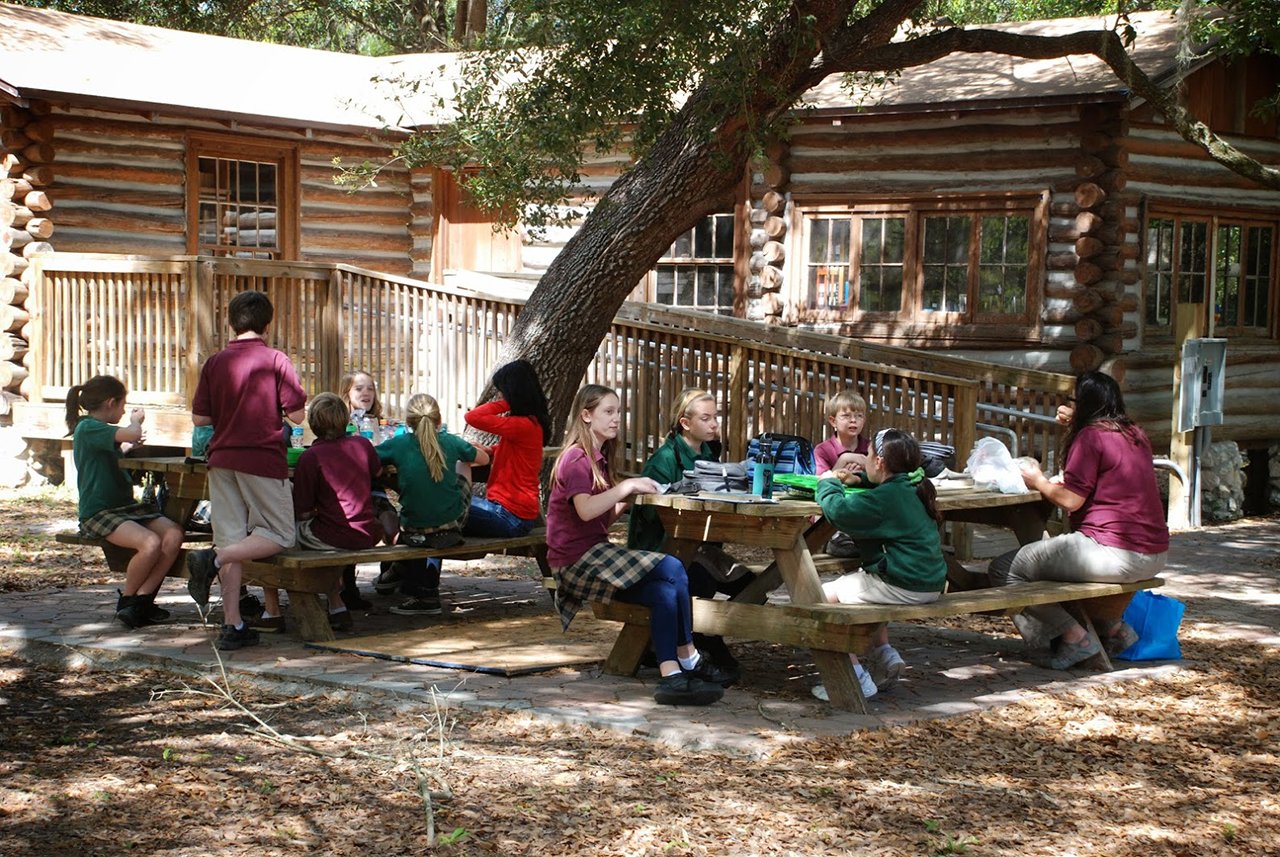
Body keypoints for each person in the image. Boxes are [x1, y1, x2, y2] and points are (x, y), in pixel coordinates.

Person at [546, 384, 731, 706]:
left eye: (618, 412)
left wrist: (630, 497)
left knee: (663, 592)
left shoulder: (598, 457)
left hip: (593, 554)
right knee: (673, 566)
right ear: (586, 416)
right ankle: (689, 657)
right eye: (608, 412)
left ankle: (671, 676)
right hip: (576, 561)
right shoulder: (576, 458)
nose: (616, 419)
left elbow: (599, 520)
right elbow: (586, 510)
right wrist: (627, 486)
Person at [988, 370, 1169, 668]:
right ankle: (1112, 629)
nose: (1067, 405)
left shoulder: (1090, 437)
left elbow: (1072, 499)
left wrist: (1037, 480)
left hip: (1111, 552)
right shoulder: (1135, 433)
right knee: (1050, 566)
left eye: (1072, 400)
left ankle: (1076, 639)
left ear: (1084, 404)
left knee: (1004, 569)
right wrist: (1076, 421)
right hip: (1154, 553)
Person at [185, 290, 308, 651]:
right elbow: (297, 415)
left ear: (231, 323)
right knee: (282, 535)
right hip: (261, 459)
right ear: (268, 324)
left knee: (231, 539)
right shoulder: (275, 360)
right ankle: (214, 559)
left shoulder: (215, 362)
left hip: (221, 459)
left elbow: (200, 418)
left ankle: (233, 624)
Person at [813, 428, 947, 701]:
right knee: (860, 585)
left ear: (880, 462)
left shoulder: (885, 499)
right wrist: (858, 478)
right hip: (929, 583)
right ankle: (885, 654)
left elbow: (839, 512)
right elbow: (885, 486)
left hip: (903, 584)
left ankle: (854, 677)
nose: (864, 459)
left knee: (817, 598)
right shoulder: (912, 485)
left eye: (868, 455)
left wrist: (828, 484)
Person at [627, 388, 749, 680]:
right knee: (700, 580)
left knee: (749, 584)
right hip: (661, 550)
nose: (714, 424)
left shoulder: (709, 452)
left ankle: (705, 634)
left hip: (700, 546)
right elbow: (650, 515)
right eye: (705, 418)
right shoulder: (663, 461)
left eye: (715, 417)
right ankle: (701, 640)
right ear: (685, 423)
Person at [252, 393, 384, 633]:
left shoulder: (311, 456)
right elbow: (377, 472)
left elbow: (302, 512)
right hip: (366, 533)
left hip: (333, 535)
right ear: (345, 420)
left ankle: (273, 611)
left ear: (313, 423)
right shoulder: (362, 445)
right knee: (316, 533)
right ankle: (336, 605)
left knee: (271, 533)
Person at [66, 375, 184, 629]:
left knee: (174, 534)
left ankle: (142, 600)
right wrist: (135, 421)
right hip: (100, 511)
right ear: (111, 402)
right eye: (122, 405)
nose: (122, 411)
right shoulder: (89, 427)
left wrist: (127, 448)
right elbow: (132, 431)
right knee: (150, 543)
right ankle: (128, 602)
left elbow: (108, 454)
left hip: (125, 508)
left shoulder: (97, 430)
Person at [376, 393, 489, 616]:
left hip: (413, 527)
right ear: (439, 420)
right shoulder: (451, 441)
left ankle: (402, 573)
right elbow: (484, 459)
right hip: (451, 523)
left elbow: (370, 456)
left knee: (419, 501)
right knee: (462, 470)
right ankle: (418, 584)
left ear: (408, 422)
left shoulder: (399, 444)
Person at [462, 359, 552, 538]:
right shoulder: (531, 423)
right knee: (444, 506)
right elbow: (522, 451)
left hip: (509, 517)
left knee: (443, 507)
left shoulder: (523, 425)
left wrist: (507, 403)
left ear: (512, 391)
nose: (498, 395)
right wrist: (492, 450)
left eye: (501, 391)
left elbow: (472, 417)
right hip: (509, 513)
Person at [336, 370, 398, 608]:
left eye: (370, 388)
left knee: (391, 521)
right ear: (346, 393)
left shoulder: (380, 423)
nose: (366, 393)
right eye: (359, 388)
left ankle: (390, 574)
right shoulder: (338, 424)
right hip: (346, 492)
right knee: (349, 525)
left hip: (373, 488)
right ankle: (347, 588)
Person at [814, 389, 871, 559]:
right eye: (846, 416)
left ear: (864, 420)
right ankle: (835, 538)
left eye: (858, 415)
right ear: (833, 421)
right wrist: (844, 460)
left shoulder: (871, 448)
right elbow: (822, 481)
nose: (853, 420)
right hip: (833, 508)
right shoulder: (823, 450)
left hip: (863, 507)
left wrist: (864, 467)